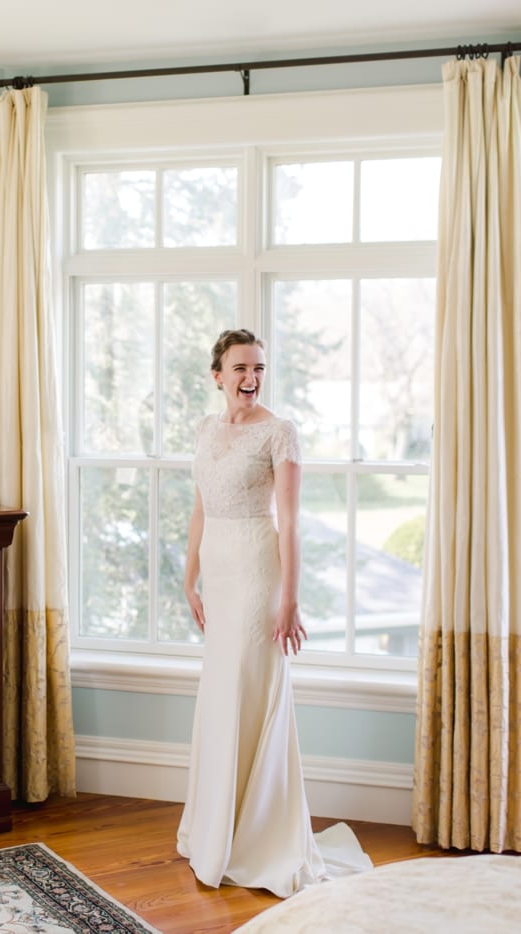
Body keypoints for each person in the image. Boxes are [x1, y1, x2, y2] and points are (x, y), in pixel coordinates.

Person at [176, 328, 371, 898]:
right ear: (217, 375)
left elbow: (290, 521)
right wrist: (189, 578)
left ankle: (260, 835)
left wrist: (289, 597)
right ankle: (218, 827)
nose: (250, 379)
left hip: (259, 573)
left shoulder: (280, 433)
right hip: (218, 569)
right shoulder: (206, 430)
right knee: (220, 693)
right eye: (239, 368)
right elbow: (199, 508)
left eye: (258, 368)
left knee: (249, 688)